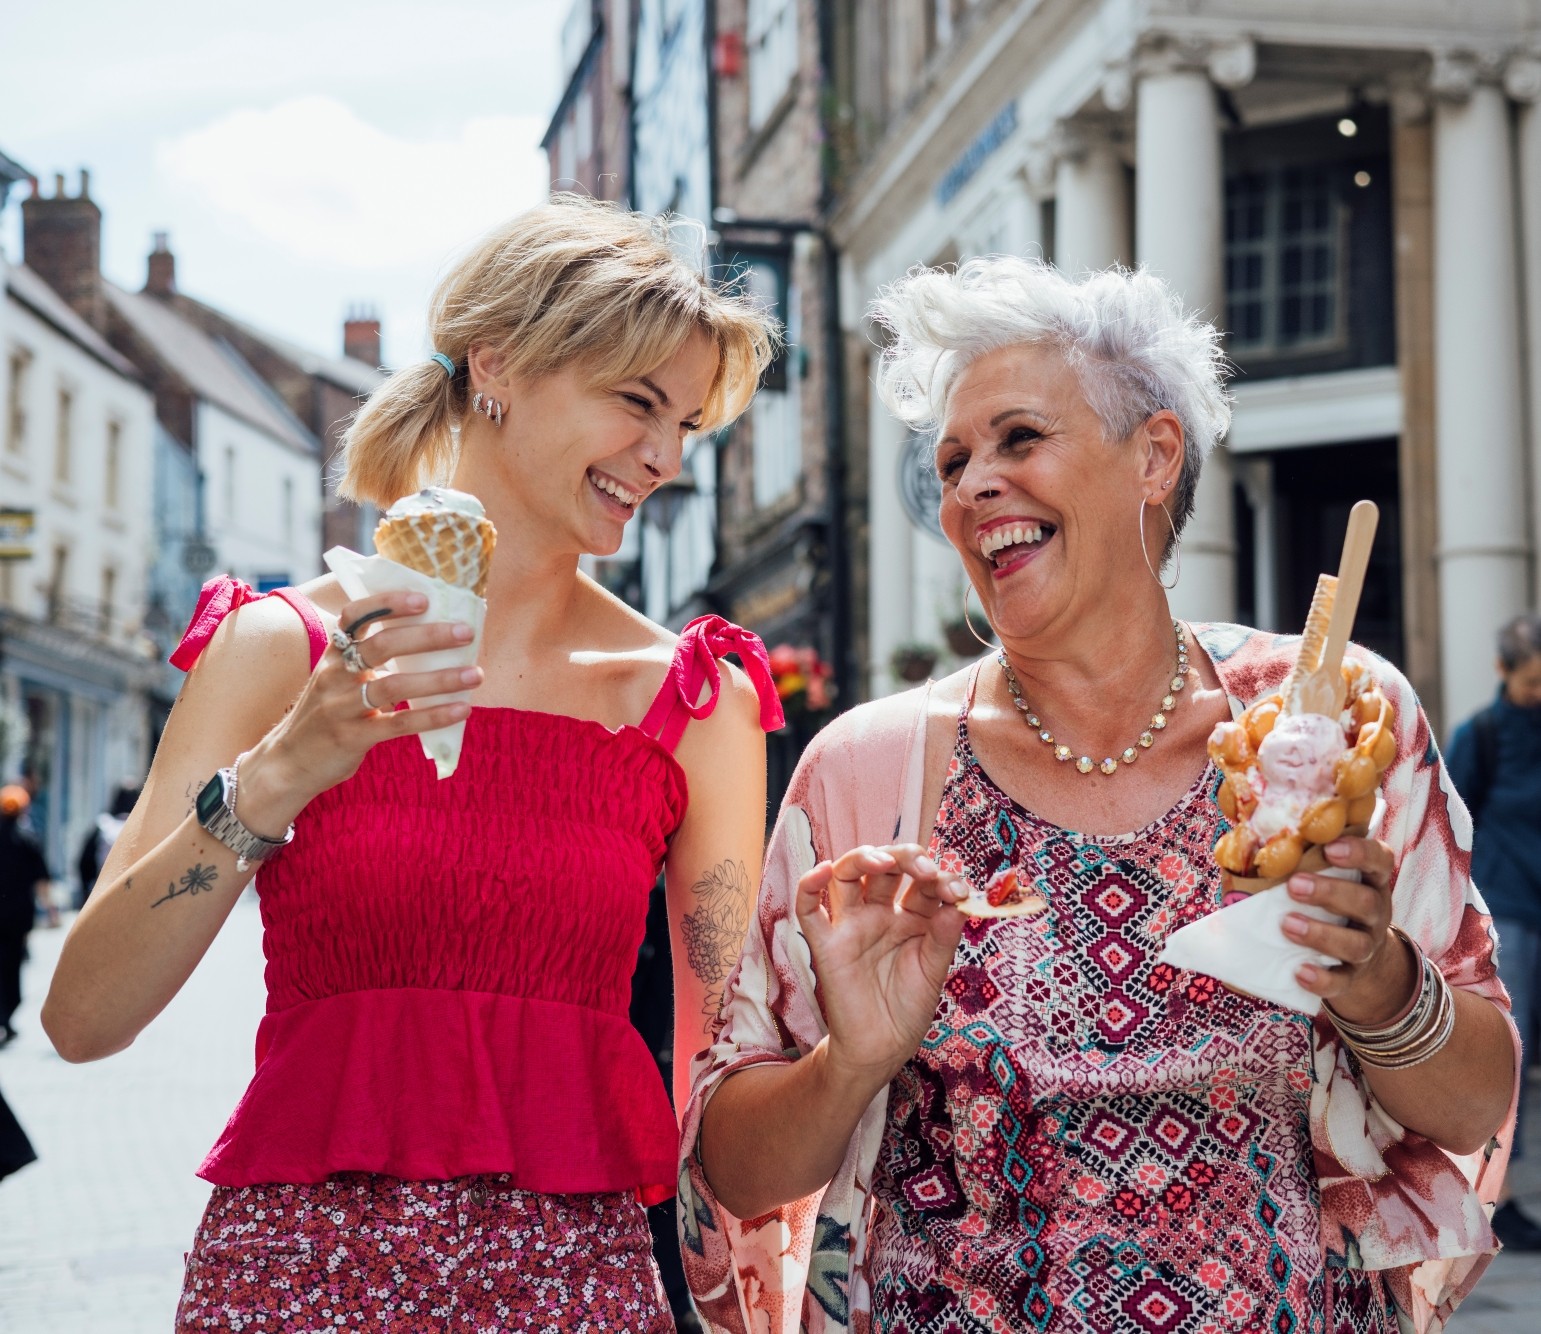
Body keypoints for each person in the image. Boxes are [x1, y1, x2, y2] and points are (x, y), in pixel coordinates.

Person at [680, 259, 1520, 1334]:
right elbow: (736, 1172)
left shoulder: (1333, 721)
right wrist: (851, 1059)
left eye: (1017, 438)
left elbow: (1472, 1103)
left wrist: (1377, 985)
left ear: (1153, 457)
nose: (970, 483)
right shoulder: (865, 770)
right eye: (951, 461)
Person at [42, 195, 782, 1330]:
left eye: (686, 423)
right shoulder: (278, 646)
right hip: (294, 1281)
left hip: (573, 1292)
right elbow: (83, 1017)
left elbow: (717, 1073)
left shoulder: (692, 698)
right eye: (637, 403)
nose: (664, 457)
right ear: (496, 363)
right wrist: (288, 765)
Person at [1447, 612, 1541, 1251]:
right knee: (1511, 1054)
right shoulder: (1478, 735)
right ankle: (1494, 1195)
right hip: (1510, 911)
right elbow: (1449, 824)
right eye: (1533, 681)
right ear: (1503, 672)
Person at [0, 784, 50, 1046]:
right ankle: (5, 1018)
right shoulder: (28, 841)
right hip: (17, 919)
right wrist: (51, 912)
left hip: (13, 918)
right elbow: (41, 882)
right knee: (10, 968)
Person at [76, 782, 141, 907]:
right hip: (133, 892)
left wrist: (85, 891)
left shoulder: (103, 825)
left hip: (102, 890)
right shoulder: (142, 826)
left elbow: (84, 861)